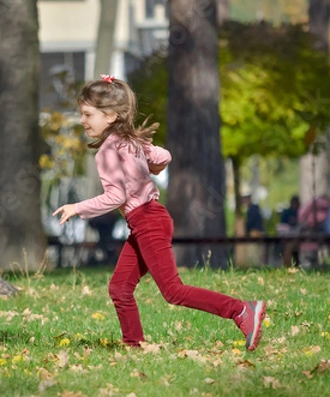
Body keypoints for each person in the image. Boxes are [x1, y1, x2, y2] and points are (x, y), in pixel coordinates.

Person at [53, 75, 265, 350]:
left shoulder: (106, 151)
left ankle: (240, 310)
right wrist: (150, 168)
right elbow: (164, 156)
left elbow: (116, 196)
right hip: (150, 218)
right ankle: (134, 346)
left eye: (87, 114)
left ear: (110, 116)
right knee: (120, 288)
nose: (82, 121)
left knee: (173, 291)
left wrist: (77, 207)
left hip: (147, 221)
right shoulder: (131, 140)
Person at [277, 195, 300, 266]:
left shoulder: (298, 212)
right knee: (288, 247)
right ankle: (287, 265)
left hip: (297, 237)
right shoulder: (287, 212)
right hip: (287, 237)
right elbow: (282, 227)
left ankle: (295, 264)